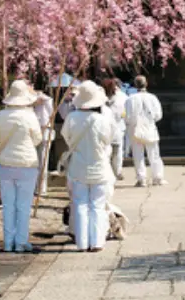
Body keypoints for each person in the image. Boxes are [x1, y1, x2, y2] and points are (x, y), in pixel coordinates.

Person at [61, 81, 115, 252]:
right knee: (97, 205)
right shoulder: (102, 120)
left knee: (80, 204)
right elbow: (108, 140)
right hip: (99, 165)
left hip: (78, 166)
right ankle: (97, 241)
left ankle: (82, 242)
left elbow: (66, 138)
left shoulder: (71, 118)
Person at [0, 80, 43, 253]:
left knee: (8, 205)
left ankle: (8, 242)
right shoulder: (30, 116)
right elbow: (37, 139)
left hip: (5, 163)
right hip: (27, 164)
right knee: (23, 205)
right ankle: (21, 241)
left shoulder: (1, 115)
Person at [124, 75, 166, 187]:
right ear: (146, 84)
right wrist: (149, 119)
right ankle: (158, 177)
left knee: (138, 155)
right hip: (150, 128)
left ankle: (141, 179)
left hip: (135, 129)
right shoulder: (153, 98)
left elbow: (127, 117)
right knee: (154, 154)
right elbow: (158, 115)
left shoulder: (130, 99)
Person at [103, 78, 127, 181]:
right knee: (117, 152)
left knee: (107, 152)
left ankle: (111, 172)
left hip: (106, 128)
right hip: (117, 127)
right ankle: (116, 172)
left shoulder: (99, 98)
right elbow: (125, 113)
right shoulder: (123, 97)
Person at [32, 88, 54, 197]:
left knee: (43, 161)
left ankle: (41, 188)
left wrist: (43, 100)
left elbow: (52, 113)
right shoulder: (29, 99)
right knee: (33, 161)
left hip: (45, 130)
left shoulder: (48, 100)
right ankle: (34, 186)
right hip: (33, 131)